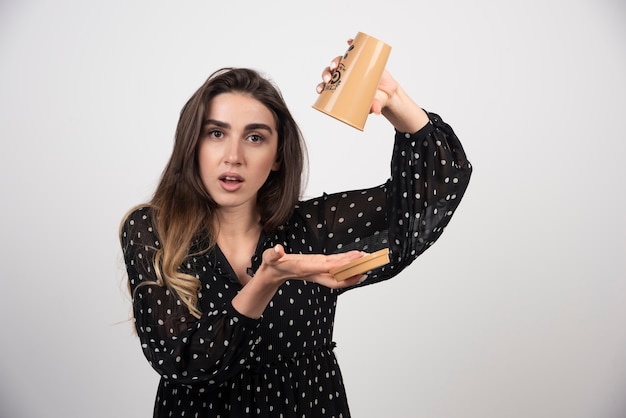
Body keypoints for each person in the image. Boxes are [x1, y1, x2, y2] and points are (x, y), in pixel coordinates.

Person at [119, 42, 472, 417]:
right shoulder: (152, 229)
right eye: (216, 133)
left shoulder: (314, 228)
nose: (233, 156)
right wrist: (267, 279)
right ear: (192, 145)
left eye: (255, 137)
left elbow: (436, 192)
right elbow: (183, 363)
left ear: (276, 157)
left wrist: (394, 98)